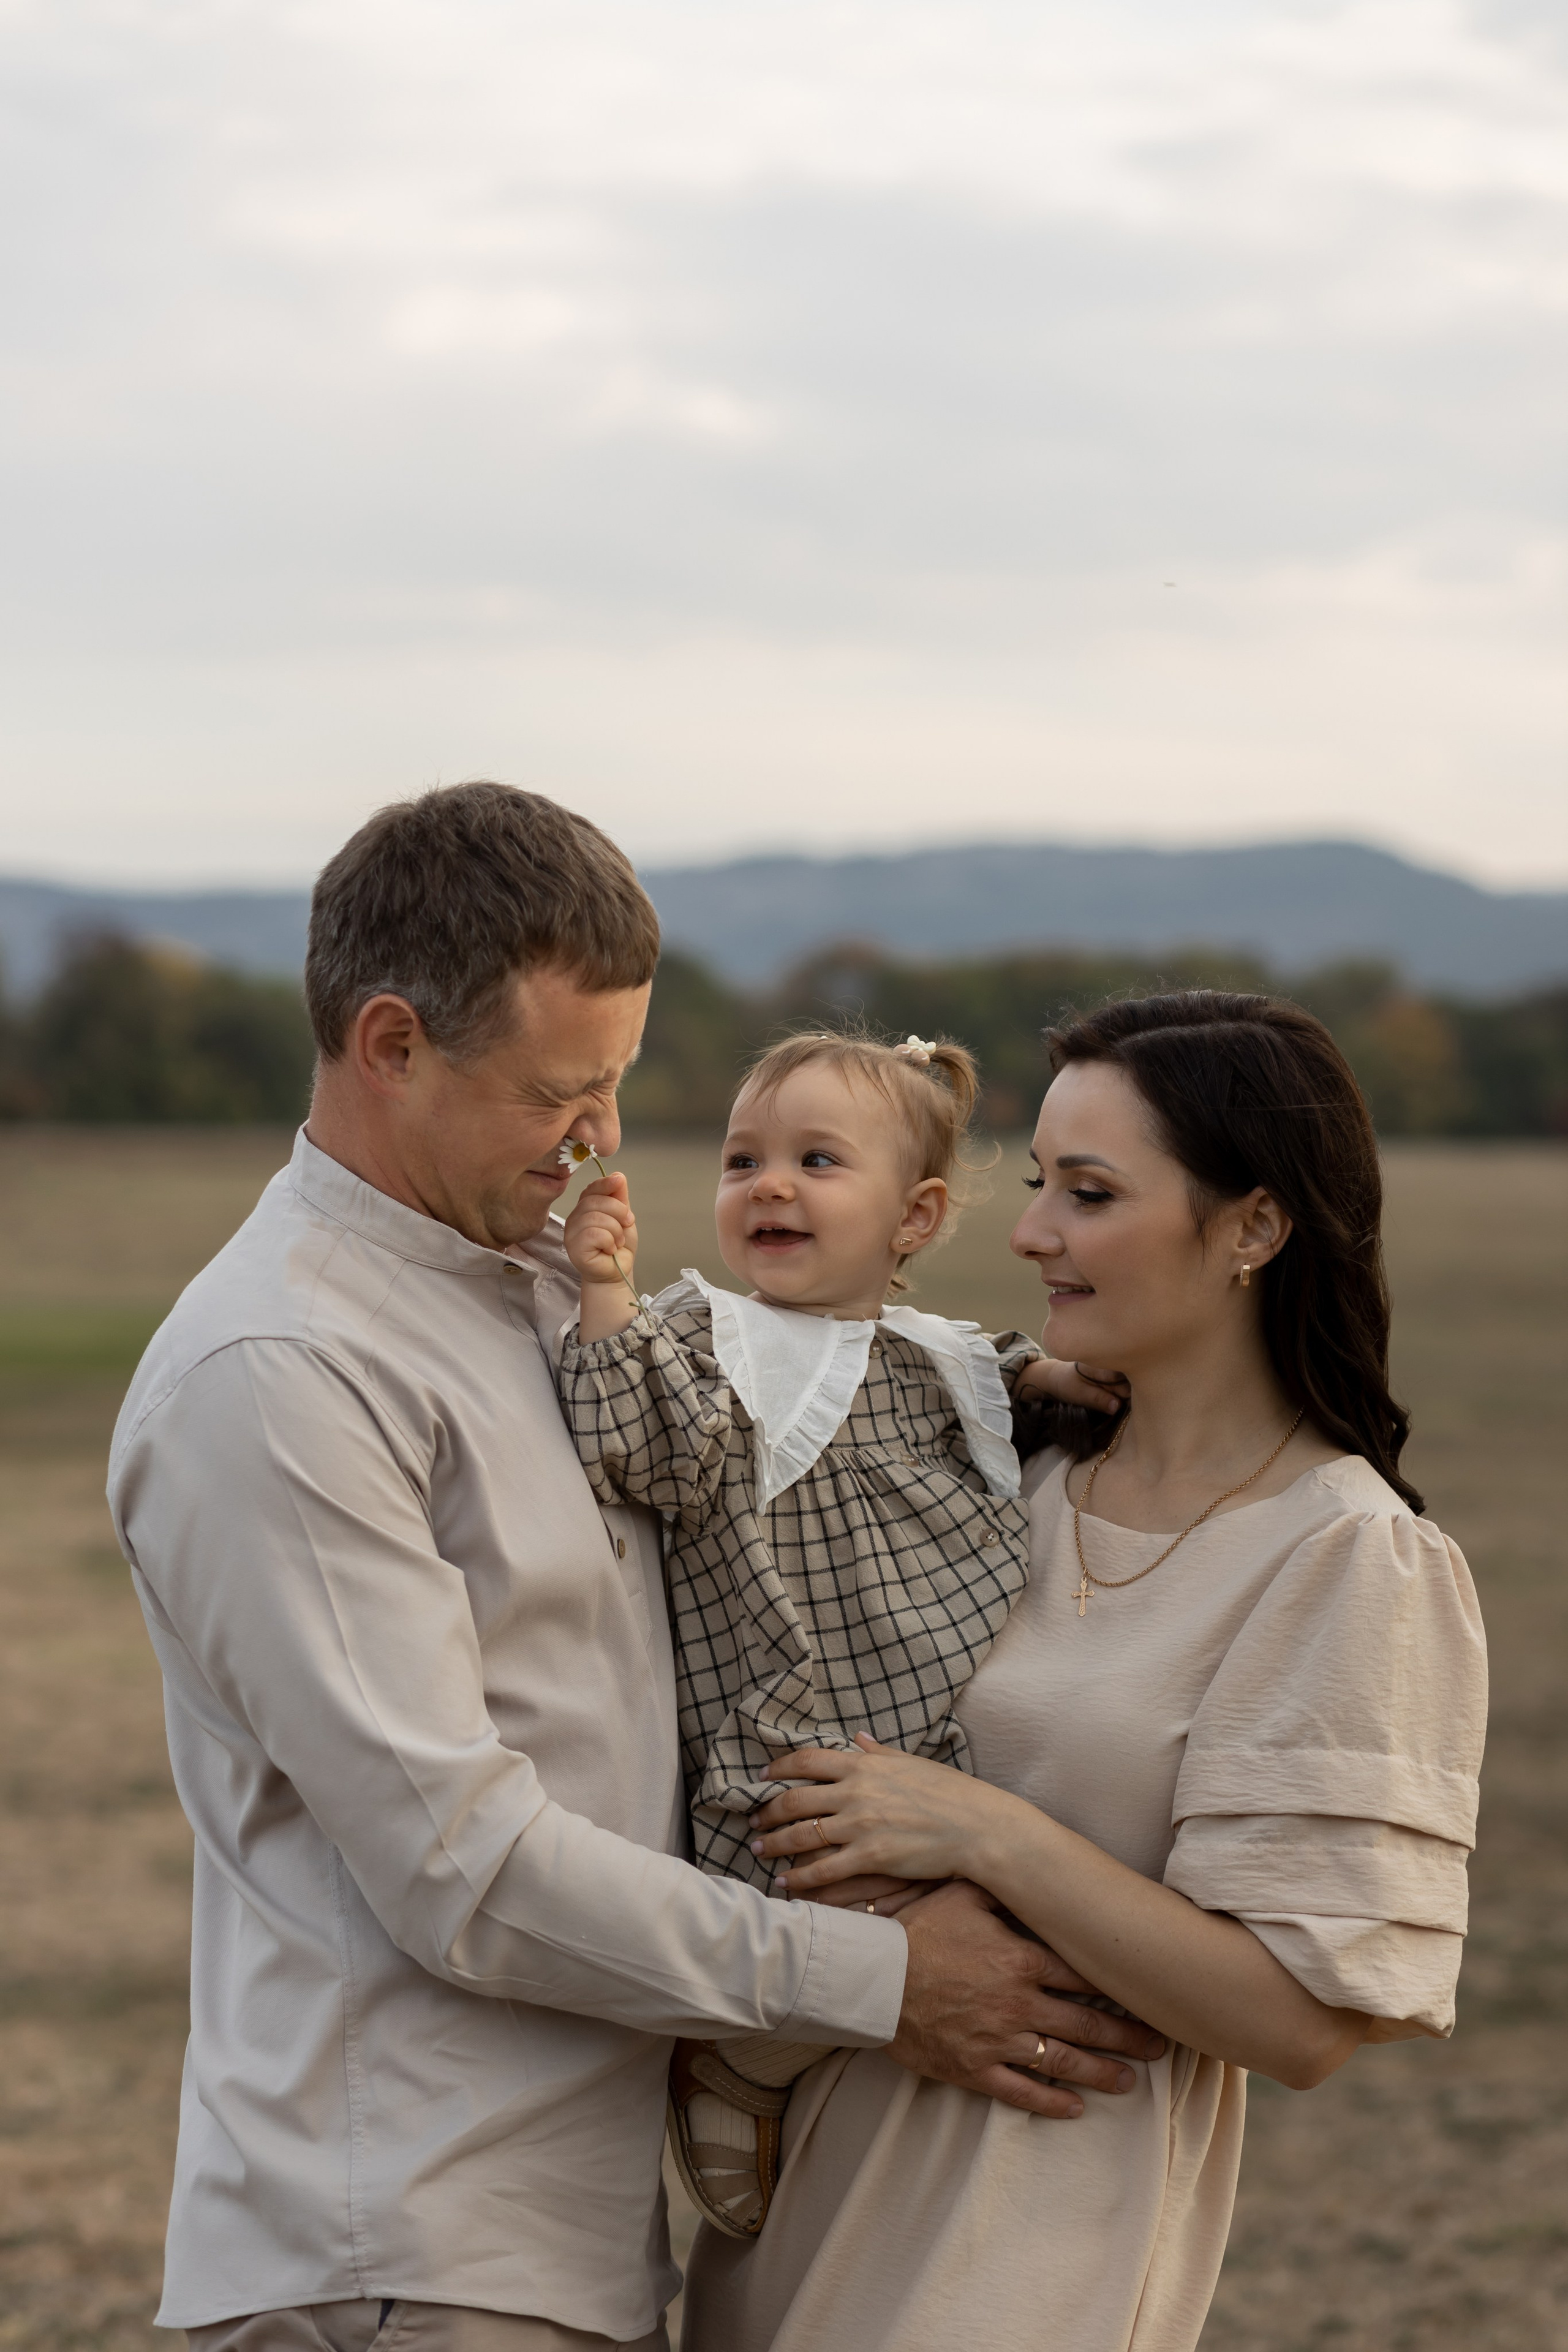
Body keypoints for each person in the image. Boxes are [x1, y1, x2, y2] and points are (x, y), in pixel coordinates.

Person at [107, 783, 1160, 2352]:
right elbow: (464, 1871)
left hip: (569, 2242)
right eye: (560, 1091)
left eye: (615, 1082)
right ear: (390, 1047)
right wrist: (882, 1974)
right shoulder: (280, 1370)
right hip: (396, 2261)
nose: (599, 1137)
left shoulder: (535, 1283)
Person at [682, 989, 1489, 2352]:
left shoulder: (1346, 1557)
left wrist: (987, 1835)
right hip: (790, 2208)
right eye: (1043, 1181)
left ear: (1253, 1225)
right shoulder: (990, 1470)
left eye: (1089, 1192)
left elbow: (1297, 2022)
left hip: (1012, 2259)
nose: (1030, 1229)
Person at [555, 1028, 1119, 2234]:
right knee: (848, 1908)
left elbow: (998, 1369)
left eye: (817, 1161)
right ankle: (739, 2066)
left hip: (925, 1729)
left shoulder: (934, 1354)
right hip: (791, 1733)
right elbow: (641, 1447)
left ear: (911, 1218)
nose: (768, 1184)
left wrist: (1060, 1387)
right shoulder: (701, 1336)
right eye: (742, 1159)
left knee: (986, 1903)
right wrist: (604, 1296)